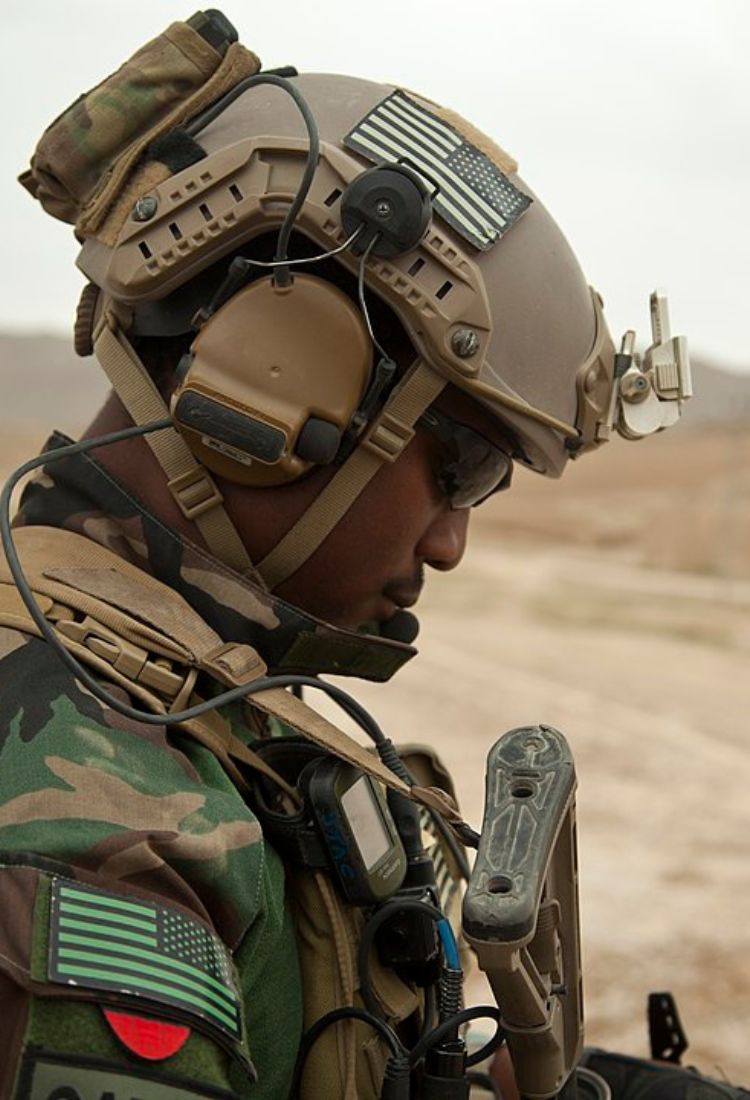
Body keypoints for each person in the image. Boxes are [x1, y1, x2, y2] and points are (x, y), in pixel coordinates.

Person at [0, 10, 711, 1100]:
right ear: (277, 379)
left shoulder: (186, 693)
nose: (451, 542)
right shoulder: (94, 831)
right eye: (460, 468)